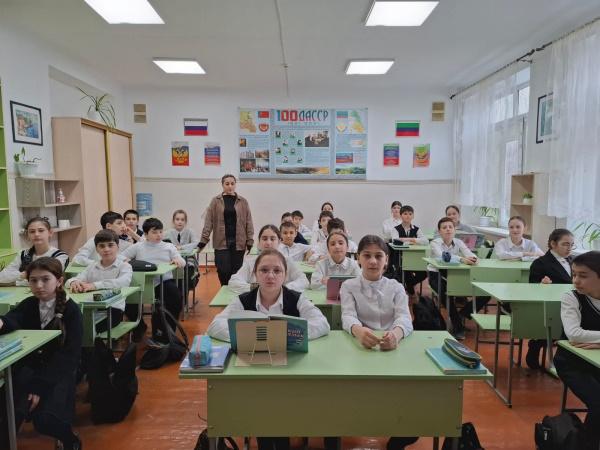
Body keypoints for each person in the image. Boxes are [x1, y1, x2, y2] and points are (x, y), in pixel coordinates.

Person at [207, 248, 329, 450]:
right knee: (261, 405)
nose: (270, 276)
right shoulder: (243, 300)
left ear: (285, 275)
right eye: (264, 270)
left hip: (290, 372)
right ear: (255, 274)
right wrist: (245, 335)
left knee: (282, 406)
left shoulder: (297, 298)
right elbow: (215, 325)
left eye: (277, 270)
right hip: (253, 371)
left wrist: (285, 336)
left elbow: (322, 324)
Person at [340, 235, 416, 450]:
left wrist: (396, 335)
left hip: (392, 348)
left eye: (378, 256)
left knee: (409, 393)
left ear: (386, 260)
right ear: (358, 258)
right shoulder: (349, 286)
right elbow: (347, 315)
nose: (373, 261)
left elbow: (404, 318)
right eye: (367, 256)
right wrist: (358, 331)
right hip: (361, 347)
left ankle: (401, 433)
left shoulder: (396, 287)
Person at [0, 257, 83, 450]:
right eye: (33, 280)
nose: (39, 285)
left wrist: (38, 387)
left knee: (45, 419)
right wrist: (2, 322)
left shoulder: (71, 311)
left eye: (45, 279)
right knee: (11, 414)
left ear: (59, 281)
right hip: (29, 370)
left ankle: (70, 440)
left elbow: (69, 357)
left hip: (58, 373)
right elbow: (14, 319)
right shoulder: (29, 303)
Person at [554, 251, 600, 450]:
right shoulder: (571, 297)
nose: (576, 281)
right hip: (573, 363)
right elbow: (574, 334)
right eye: (574, 274)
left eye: (583, 275)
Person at [66, 229, 133, 332]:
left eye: (110, 245)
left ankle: (93, 342)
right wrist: (74, 282)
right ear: (96, 249)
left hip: (113, 310)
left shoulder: (124, 266)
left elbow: (123, 282)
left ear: (118, 247)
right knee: (72, 325)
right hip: (91, 308)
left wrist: (94, 285)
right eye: (101, 246)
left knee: (84, 328)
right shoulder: (92, 266)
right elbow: (72, 280)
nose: (106, 249)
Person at [526, 229, 575, 369]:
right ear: (553, 244)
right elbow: (532, 287)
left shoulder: (574, 261)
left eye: (572, 245)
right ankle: (536, 344)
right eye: (565, 244)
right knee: (555, 325)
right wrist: (541, 285)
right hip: (551, 307)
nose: (569, 248)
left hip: (572, 305)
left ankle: (566, 360)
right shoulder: (540, 263)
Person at [122, 218, 185, 320]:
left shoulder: (169, 246)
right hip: (142, 282)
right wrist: (126, 260)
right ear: (146, 234)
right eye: (154, 232)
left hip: (163, 281)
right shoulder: (138, 246)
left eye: (160, 232)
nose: (159, 235)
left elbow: (182, 261)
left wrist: (177, 260)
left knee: (176, 296)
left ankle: (168, 326)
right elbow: (120, 257)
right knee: (129, 300)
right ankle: (139, 326)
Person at [198, 174, 254, 285]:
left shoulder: (243, 201)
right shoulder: (215, 201)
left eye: (232, 183)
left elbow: (249, 221)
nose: (230, 186)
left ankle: (233, 291)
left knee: (236, 271)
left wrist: (250, 240)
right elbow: (209, 221)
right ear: (222, 185)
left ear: (235, 185)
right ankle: (224, 288)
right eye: (227, 184)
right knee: (223, 270)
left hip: (239, 243)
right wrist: (203, 240)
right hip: (221, 242)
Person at [428, 217, 478, 339]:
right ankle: (457, 325)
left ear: (455, 230)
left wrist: (474, 259)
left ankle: (462, 314)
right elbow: (443, 257)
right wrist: (461, 259)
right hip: (436, 274)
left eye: (450, 227)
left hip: (456, 274)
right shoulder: (435, 243)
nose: (448, 230)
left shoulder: (459, 242)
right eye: (444, 228)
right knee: (446, 294)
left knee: (483, 294)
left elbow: (469, 254)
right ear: (439, 231)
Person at [229, 225, 309, 295]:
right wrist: (256, 288)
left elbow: (303, 280)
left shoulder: (287, 261)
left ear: (279, 242)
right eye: (264, 239)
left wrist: (281, 288)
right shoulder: (251, 262)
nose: (268, 242)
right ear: (259, 242)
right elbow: (234, 281)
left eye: (272, 239)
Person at [0, 217, 69, 286]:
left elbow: (48, 280)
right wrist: (22, 275)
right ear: (27, 235)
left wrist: (14, 282)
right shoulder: (23, 254)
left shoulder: (61, 256)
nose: (36, 234)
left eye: (41, 230)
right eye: (32, 231)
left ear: (50, 233)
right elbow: (1, 276)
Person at [392, 205, 428, 296]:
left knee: (424, 274)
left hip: (415, 257)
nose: (408, 216)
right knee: (404, 271)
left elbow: (425, 241)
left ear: (413, 216)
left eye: (410, 214)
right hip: (400, 257)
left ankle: (409, 285)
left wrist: (410, 239)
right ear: (401, 215)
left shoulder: (416, 229)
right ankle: (409, 286)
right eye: (405, 214)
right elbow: (396, 241)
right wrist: (414, 241)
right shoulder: (396, 229)